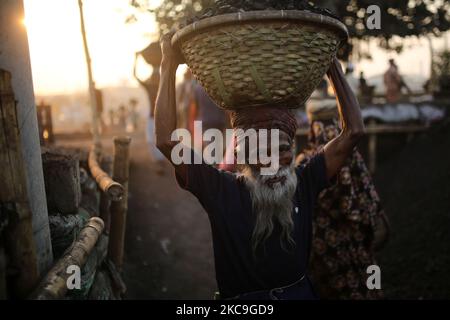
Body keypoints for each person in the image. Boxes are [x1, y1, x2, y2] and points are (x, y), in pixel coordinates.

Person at [154, 32, 365, 300]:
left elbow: (354, 132)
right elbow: (165, 140)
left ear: (294, 150)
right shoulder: (220, 189)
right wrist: (168, 64)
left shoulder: (305, 181)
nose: (273, 162)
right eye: (261, 152)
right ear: (243, 156)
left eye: (283, 150)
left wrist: (331, 64)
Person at [296, 104, 389, 300]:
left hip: (327, 245)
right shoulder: (351, 154)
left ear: (313, 126)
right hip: (358, 236)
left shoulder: (308, 161)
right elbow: (366, 191)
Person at [134, 52, 166, 173]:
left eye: (156, 74)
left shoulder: (162, 86)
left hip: (160, 118)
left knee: (157, 140)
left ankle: (159, 163)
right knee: (150, 140)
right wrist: (135, 60)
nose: (154, 76)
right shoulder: (150, 87)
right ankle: (159, 162)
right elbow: (135, 75)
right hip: (152, 117)